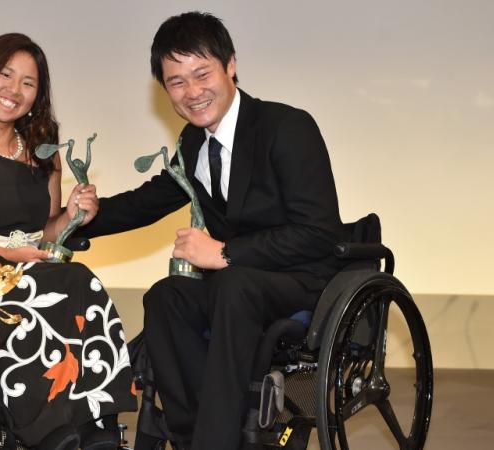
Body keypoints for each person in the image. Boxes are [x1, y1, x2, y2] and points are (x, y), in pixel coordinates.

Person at [77, 12, 345, 450]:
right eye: (176, 82)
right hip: (238, 286)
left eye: (202, 74)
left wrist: (225, 253)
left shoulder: (286, 127)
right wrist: (87, 218)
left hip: (305, 281)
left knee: (232, 284)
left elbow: (318, 233)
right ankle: (194, 434)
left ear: (231, 65)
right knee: (166, 296)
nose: (192, 92)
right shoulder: (194, 141)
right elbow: (155, 198)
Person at [0, 33, 136, 450]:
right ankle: (45, 431)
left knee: (81, 282)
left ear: (37, 96)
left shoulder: (43, 151)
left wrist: (72, 215)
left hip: (28, 265)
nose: (14, 90)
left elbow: (45, 229)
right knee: (38, 295)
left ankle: (95, 420)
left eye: (28, 83)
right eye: (5, 75)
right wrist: (6, 255)